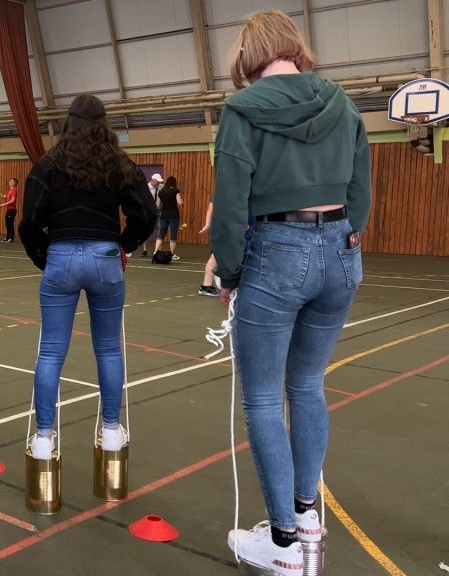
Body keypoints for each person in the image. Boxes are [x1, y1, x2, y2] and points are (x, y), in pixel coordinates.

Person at [210, 10, 371, 576]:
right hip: (341, 251)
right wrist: (347, 237)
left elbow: (230, 202)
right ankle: (306, 519)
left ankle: (280, 544)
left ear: (249, 58)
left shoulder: (240, 110)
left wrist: (229, 274)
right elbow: (361, 185)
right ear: (293, 49)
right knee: (306, 385)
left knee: (260, 399)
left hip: (277, 252)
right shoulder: (342, 102)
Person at [18, 93, 157, 461]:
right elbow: (146, 213)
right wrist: (124, 245)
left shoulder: (47, 164)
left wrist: (42, 257)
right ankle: (111, 430)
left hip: (60, 257)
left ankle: (45, 438)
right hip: (105, 258)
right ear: (103, 124)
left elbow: (29, 219)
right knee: (109, 348)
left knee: (50, 351)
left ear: (68, 122)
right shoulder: (119, 163)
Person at [153, 176, 182, 260]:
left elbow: (158, 205)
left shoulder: (161, 191)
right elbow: (180, 202)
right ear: (174, 183)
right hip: (174, 215)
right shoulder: (176, 190)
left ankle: (155, 251)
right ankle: (172, 254)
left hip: (164, 215)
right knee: (173, 234)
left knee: (161, 234)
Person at [134, 174, 163, 257]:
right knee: (146, 231)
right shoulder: (145, 188)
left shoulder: (161, 186)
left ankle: (158, 250)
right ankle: (145, 249)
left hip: (158, 211)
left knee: (160, 230)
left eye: (159, 181)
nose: (159, 183)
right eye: (158, 181)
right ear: (152, 180)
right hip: (148, 212)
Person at [198, 201, 220, 296]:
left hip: (222, 227)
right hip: (220, 228)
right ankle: (206, 286)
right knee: (215, 256)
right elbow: (211, 205)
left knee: (216, 256)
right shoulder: (223, 190)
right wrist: (207, 224)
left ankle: (207, 286)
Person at [0, 178, 19, 243]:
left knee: (10, 224)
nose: (9, 182)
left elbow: (13, 200)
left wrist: (4, 204)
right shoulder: (9, 191)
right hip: (9, 210)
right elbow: (3, 196)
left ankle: (11, 238)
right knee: (7, 224)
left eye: (11, 181)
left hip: (12, 210)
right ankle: (7, 238)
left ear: (14, 183)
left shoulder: (14, 190)